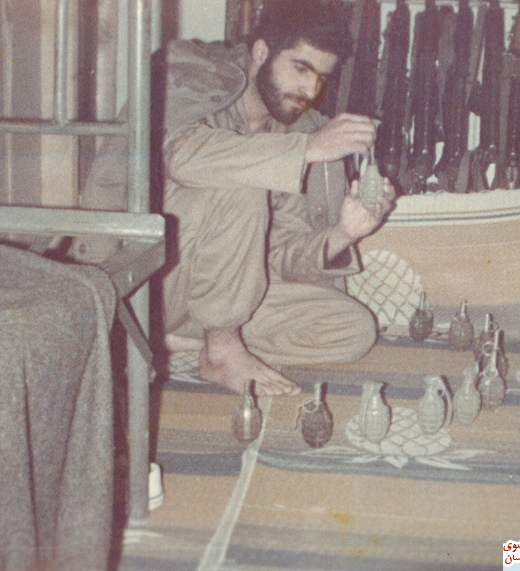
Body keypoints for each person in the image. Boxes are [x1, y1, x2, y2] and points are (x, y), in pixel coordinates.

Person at [157, 0, 396, 397]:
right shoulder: (200, 72)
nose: (311, 91)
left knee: (354, 329)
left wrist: (344, 233)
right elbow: (179, 156)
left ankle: (185, 338)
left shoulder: (295, 129)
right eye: (301, 69)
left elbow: (282, 251)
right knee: (242, 181)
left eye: (322, 77)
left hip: (215, 294)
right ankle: (221, 348)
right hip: (153, 281)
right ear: (261, 52)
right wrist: (307, 149)